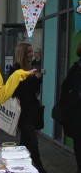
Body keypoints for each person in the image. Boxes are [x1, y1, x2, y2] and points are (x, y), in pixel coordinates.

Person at [8, 43, 46, 173]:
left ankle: (15, 164)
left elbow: (35, 91)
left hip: (32, 111)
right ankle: (40, 168)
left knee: (25, 142)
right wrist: (30, 79)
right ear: (22, 53)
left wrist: (36, 80)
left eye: (31, 52)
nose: (31, 54)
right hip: (21, 112)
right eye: (28, 52)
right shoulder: (15, 70)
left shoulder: (32, 68)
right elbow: (13, 91)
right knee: (33, 141)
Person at [59, 42, 81, 173]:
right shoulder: (75, 69)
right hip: (77, 115)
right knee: (78, 145)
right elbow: (65, 89)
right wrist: (77, 96)